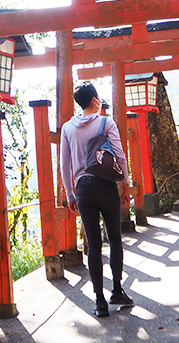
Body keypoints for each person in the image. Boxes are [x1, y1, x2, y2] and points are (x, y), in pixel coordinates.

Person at [60, 82, 134, 317]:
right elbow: (120, 155)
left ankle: (99, 301)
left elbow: (64, 163)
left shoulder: (67, 128)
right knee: (114, 239)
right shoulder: (106, 122)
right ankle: (117, 291)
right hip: (105, 185)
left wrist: (70, 193)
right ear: (94, 101)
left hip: (82, 188)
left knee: (92, 244)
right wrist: (125, 184)